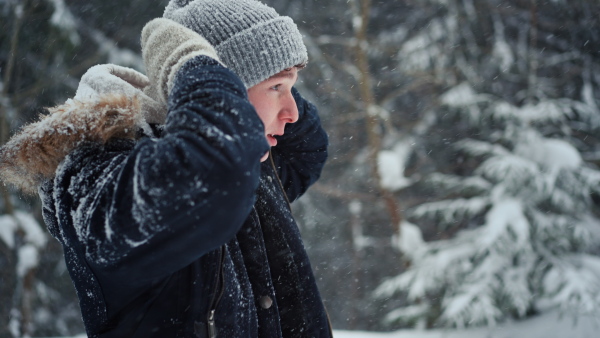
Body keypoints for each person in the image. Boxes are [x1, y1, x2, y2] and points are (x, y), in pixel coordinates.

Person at [0, 0, 332, 337]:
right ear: (213, 86)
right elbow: (211, 169)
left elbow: (307, 151)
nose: (292, 112)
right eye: (276, 88)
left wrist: (260, 79)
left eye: (291, 87)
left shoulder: (242, 162)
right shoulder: (99, 172)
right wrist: (194, 64)